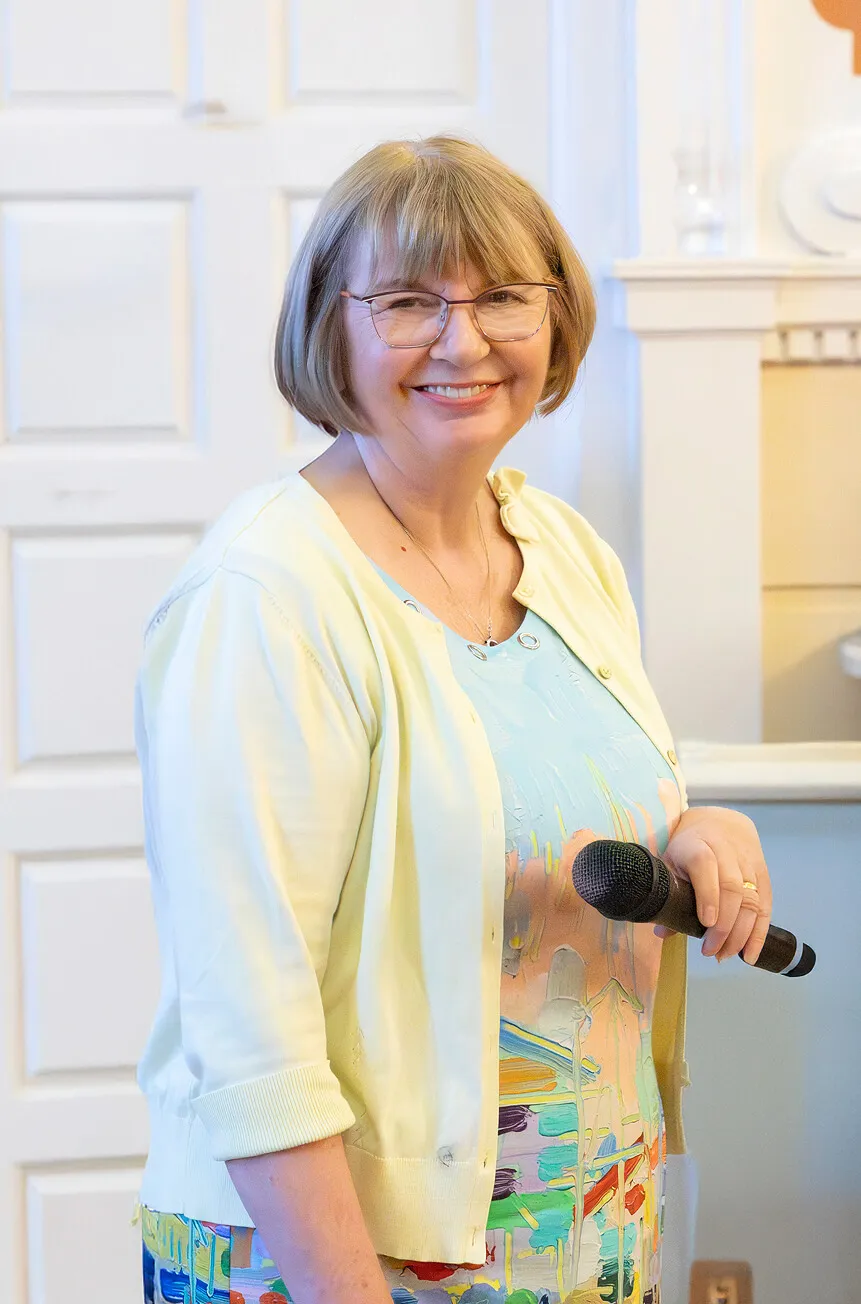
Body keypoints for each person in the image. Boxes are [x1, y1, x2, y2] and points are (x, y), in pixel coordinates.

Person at [134, 135, 774, 1304]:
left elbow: (559, 811)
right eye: (409, 301)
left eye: (502, 298)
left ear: (556, 318)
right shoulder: (266, 596)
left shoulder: (563, 548)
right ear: (331, 326)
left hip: (581, 1224)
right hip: (343, 1262)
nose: (463, 339)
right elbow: (249, 1031)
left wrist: (694, 831)